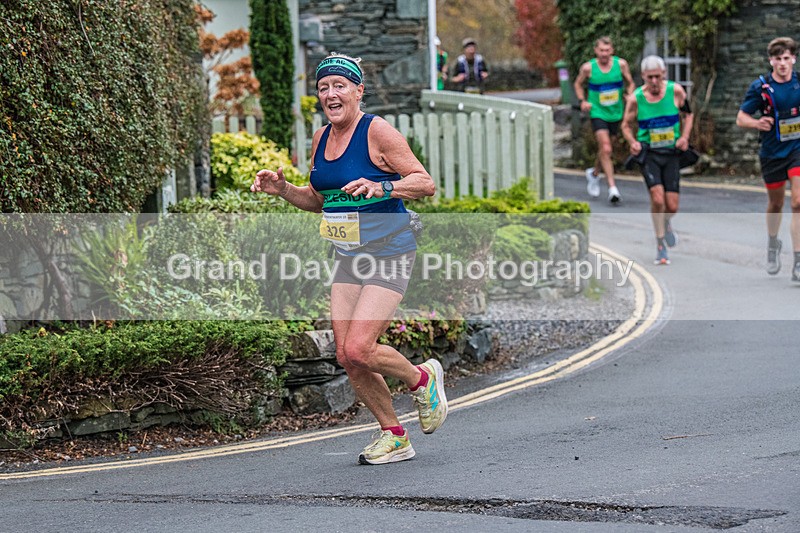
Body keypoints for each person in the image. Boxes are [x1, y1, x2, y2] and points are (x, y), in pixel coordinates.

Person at [251, 53, 445, 465]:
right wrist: (283, 190)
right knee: (346, 354)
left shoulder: (378, 132)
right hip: (348, 255)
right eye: (323, 87)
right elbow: (320, 200)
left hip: (390, 251)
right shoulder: (321, 139)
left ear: (358, 91)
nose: (330, 93)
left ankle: (422, 379)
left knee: (360, 346)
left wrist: (383, 188)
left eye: (340, 85)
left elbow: (424, 184)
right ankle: (394, 435)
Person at [736, 37, 800, 282]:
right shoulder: (760, 87)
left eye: (787, 58)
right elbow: (741, 118)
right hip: (772, 153)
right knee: (776, 205)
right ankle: (773, 243)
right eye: (778, 59)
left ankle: (798, 260)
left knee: (797, 202)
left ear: (793, 58)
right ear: (771, 60)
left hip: (797, 149)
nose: (782, 63)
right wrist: (756, 123)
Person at [621, 55, 694, 265]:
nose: (653, 82)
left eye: (657, 77)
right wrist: (632, 142)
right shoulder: (636, 98)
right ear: (643, 76)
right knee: (658, 199)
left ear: (664, 75)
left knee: (672, 206)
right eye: (649, 78)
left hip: (671, 153)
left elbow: (688, 115)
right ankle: (660, 245)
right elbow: (625, 124)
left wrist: (684, 137)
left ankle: (667, 222)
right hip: (650, 154)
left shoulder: (676, 92)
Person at [573, 36, 636, 203]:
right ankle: (612, 188)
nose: (604, 54)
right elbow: (578, 84)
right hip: (598, 112)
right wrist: (583, 101)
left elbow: (630, 82)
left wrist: (630, 95)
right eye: (601, 50)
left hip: (616, 112)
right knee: (606, 148)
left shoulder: (620, 65)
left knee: (607, 149)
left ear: (612, 51)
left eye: (607, 51)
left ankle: (594, 173)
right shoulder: (588, 68)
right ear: (596, 51)